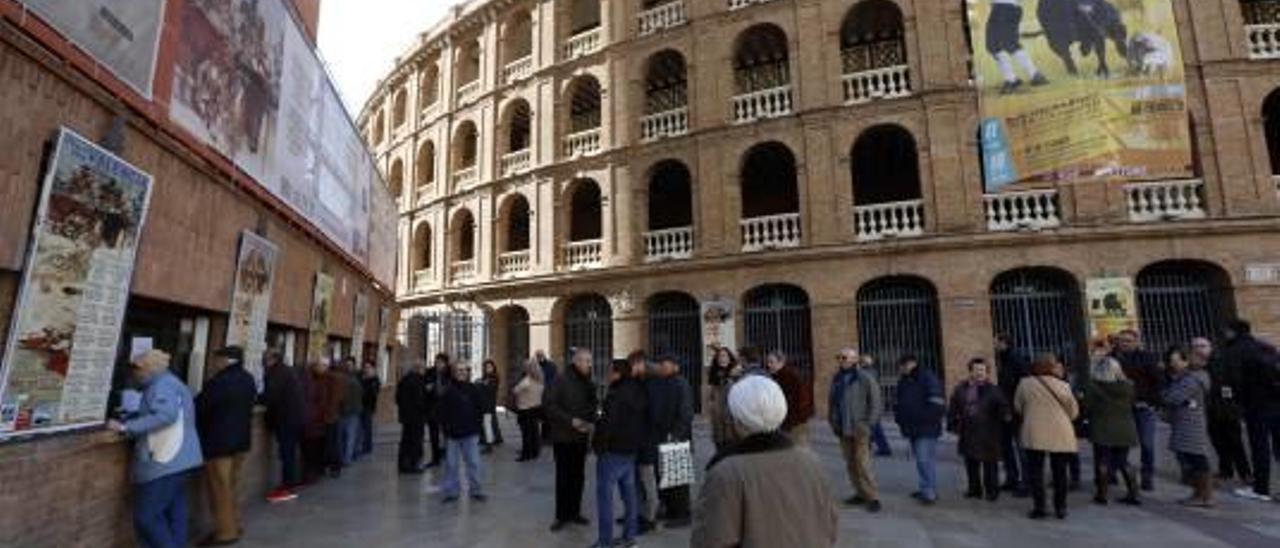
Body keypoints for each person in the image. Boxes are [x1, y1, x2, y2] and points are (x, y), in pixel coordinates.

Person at [692, 375, 838, 548]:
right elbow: (829, 525)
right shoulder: (811, 462)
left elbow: (712, 540)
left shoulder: (726, 473)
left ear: (736, 418)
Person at [107, 350, 203, 548]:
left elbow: (166, 415)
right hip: (183, 460)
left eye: (137, 370)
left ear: (147, 369)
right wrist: (134, 418)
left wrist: (126, 427)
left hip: (165, 460)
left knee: (147, 517)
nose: (134, 375)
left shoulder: (162, 385)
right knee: (175, 513)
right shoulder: (173, 383)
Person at [194, 346, 257, 546]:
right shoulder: (248, 379)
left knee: (219, 489)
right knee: (231, 486)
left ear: (225, 361)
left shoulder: (218, 382)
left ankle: (225, 533)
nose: (214, 364)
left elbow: (200, 408)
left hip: (219, 443)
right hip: (241, 441)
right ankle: (235, 524)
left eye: (216, 360)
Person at [591, 358, 649, 548]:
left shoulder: (616, 394)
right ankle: (629, 537)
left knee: (605, 498)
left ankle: (605, 542)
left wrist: (598, 445)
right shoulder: (638, 390)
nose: (607, 375)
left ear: (617, 373)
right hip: (630, 451)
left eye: (610, 371)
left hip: (613, 451)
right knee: (629, 495)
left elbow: (609, 424)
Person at [1220, 320, 1280, 502]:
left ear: (1232, 332)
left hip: (1255, 404)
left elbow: (1233, 380)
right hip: (1277, 400)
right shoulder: (1265, 347)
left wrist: (1237, 401)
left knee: (1259, 446)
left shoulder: (1235, 351)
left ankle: (1261, 488)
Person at [1015, 353, 1079, 520]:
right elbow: (1074, 411)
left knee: (1036, 472)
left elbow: (1018, 406)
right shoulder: (1063, 385)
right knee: (1060, 472)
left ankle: (1040, 507)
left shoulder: (1025, 384)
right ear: (1052, 367)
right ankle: (1061, 507)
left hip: (1034, 431)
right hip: (1060, 431)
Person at [544, 348, 598, 531]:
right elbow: (549, 405)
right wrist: (570, 420)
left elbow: (592, 404)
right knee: (564, 477)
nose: (590, 365)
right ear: (576, 361)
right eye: (586, 361)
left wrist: (589, 422)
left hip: (581, 436)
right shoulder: (560, 379)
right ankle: (562, 516)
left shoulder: (588, 381)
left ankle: (575, 512)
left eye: (590, 361)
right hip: (563, 437)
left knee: (578, 476)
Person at [1082, 340, 1141, 506]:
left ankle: (1102, 494)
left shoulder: (1093, 387)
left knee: (1103, 460)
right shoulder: (1128, 387)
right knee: (1123, 461)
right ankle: (1134, 492)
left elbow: (1087, 406)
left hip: (1102, 427)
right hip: (1125, 428)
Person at [829, 348, 883, 512]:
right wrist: (832, 421)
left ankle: (873, 496)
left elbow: (875, 401)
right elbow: (832, 402)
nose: (841, 360)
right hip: (842, 428)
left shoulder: (864, 377)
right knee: (850, 463)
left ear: (854, 360)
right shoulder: (837, 379)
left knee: (863, 462)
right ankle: (860, 492)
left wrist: (868, 423)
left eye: (844, 357)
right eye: (839, 357)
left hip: (859, 427)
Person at [947, 357, 1008, 502]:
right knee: (971, 463)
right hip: (969, 431)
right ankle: (974, 489)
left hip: (989, 432)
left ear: (987, 372)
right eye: (976, 370)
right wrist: (953, 423)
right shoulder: (961, 388)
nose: (979, 372)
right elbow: (953, 407)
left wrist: (1005, 414)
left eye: (982, 370)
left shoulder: (993, 390)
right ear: (970, 371)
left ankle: (992, 491)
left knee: (990, 464)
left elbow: (1003, 407)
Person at [1194, 337, 1252, 484]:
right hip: (1209, 410)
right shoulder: (1195, 366)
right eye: (1196, 346)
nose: (1200, 349)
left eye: (1203, 346)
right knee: (1218, 442)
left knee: (1235, 442)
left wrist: (1235, 403)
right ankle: (1226, 470)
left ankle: (1245, 473)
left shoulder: (1221, 361)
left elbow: (1234, 382)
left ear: (1210, 347)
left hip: (1227, 408)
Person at [1162, 346, 1214, 507]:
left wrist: (1167, 393)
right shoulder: (1190, 377)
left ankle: (1203, 495)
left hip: (1190, 423)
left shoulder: (1192, 379)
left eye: (1177, 360)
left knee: (1196, 459)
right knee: (1194, 459)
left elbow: (1172, 397)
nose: (1174, 364)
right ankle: (1200, 494)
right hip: (1188, 421)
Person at [1112, 329, 1163, 491]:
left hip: (1143, 408)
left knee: (1147, 444)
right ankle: (1118, 473)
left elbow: (1158, 381)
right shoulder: (1111, 359)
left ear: (1136, 342)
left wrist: (1151, 402)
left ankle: (1147, 476)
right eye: (1122, 341)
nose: (1125, 344)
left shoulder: (1147, 358)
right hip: (1122, 409)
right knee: (1121, 444)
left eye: (1128, 341)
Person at [894, 355, 946, 505]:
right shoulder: (905, 380)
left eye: (901, 366)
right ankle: (927, 488)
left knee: (924, 460)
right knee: (922, 460)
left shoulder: (927, 378)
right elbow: (899, 401)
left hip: (926, 428)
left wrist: (922, 419)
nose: (900, 369)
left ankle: (929, 493)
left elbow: (937, 403)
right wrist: (900, 417)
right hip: (913, 427)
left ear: (910, 364)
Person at [651, 354, 694, 528]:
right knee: (667, 477)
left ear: (675, 367)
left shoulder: (681, 383)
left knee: (678, 479)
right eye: (661, 364)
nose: (662, 367)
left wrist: (675, 434)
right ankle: (671, 511)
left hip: (677, 438)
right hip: (664, 436)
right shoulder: (665, 382)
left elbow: (686, 412)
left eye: (665, 365)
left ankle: (681, 515)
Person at [437, 363, 487, 503]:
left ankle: (476, 491)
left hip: (470, 433)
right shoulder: (448, 390)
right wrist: (446, 429)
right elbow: (440, 412)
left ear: (467, 372)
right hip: (452, 435)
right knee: (451, 465)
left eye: (464, 370)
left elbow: (480, 409)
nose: (461, 372)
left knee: (474, 463)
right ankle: (452, 492)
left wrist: (477, 426)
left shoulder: (473, 389)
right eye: (459, 370)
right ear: (454, 373)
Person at [262, 350, 305, 503]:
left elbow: (271, 396)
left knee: (287, 453)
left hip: (286, 420)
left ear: (272, 359)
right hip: (293, 418)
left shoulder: (277, 373)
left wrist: (258, 400)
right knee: (289, 453)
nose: (263, 360)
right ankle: (289, 484)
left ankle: (288, 487)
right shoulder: (286, 371)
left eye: (265, 357)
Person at [985, 0, 1048, 94]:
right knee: (1009, 43)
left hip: (1003, 8)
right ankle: (1033, 75)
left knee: (996, 44)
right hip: (1010, 8)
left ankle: (1012, 80)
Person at [995, 334, 1029, 495]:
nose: (995, 344)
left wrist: (1016, 408)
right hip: (1006, 411)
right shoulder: (1004, 359)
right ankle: (1012, 478)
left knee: (1021, 447)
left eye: (997, 342)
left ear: (1004, 343)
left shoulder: (1016, 359)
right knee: (1006, 446)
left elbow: (1022, 385)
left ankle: (1026, 482)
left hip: (1016, 412)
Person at [766, 351, 813, 445]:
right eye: (768, 362)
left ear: (781, 362)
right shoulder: (773, 377)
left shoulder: (792, 376)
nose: (768, 365)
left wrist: (797, 419)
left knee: (800, 451)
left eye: (771, 362)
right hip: (782, 422)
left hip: (795, 423)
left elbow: (804, 399)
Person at [299, 360, 334, 484]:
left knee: (311, 451)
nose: (324, 368)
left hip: (313, 423)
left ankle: (310, 474)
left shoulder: (316, 382)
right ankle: (312, 474)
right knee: (313, 451)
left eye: (325, 366)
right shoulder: (317, 382)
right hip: (315, 423)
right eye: (322, 366)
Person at [396, 360, 430, 473]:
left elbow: (397, 398)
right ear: (418, 368)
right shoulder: (418, 381)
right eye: (423, 368)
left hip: (406, 417)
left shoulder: (404, 380)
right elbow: (420, 400)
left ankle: (403, 464)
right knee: (416, 441)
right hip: (417, 417)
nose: (424, 371)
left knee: (406, 440)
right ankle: (414, 464)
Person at [706, 346, 739, 452]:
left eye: (724, 355)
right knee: (719, 442)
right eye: (719, 356)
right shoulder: (713, 372)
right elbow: (710, 393)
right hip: (717, 411)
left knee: (731, 440)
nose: (722, 358)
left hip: (731, 410)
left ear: (729, 358)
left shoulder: (735, 372)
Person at [512, 357, 546, 462]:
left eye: (525, 367)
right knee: (534, 432)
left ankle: (526, 454)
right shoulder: (540, 380)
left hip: (525, 409)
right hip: (536, 408)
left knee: (526, 434)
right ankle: (535, 452)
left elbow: (515, 390)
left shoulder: (526, 381)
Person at [860, 354, 893, 457]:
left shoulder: (867, 373)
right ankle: (879, 448)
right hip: (872, 405)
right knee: (874, 428)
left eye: (861, 362)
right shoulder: (872, 372)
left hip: (870, 406)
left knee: (873, 427)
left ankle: (881, 448)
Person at [337, 358, 364, 467]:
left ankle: (346, 458)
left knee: (348, 437)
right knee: (347, 437)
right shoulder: (352, 378)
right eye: (347, 365)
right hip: (347, 411)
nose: (348, 367)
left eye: (350, 365)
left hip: (351, 412)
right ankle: (346, 458)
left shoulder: (354, 379)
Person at [425, 353, 449, 467]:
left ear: (445, 363)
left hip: (445, 408)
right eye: (437, 362)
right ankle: (435, 458)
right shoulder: (430, 372)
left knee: (446, 433)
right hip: (432, 408)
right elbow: (424, 386)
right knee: (433, 434)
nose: (438, 364)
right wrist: (427, 388)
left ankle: (446, 452)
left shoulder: (449, 373)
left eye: (441, 362)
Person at [478, 359, 503, 452]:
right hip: (485, 404)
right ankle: (493, 439)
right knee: (488, 423)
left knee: (487, 423)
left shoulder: (494, 378)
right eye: (486, 367)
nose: (487, 369)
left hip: (489, 404)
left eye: (489, 367)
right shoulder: (486, 378)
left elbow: (490, 389)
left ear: (493, 368)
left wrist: (482, 384)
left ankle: (489, 445)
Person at [359, 360, 381, 458]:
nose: (366, 369)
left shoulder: (374, 380)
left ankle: (367, 447)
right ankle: (362, 446)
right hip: (359, 406)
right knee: (361, 428)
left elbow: (372, 394)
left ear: (373, 369)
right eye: (365, 367)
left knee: (367, 427)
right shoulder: (361, 378)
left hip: (368, 407)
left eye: (368, 368)